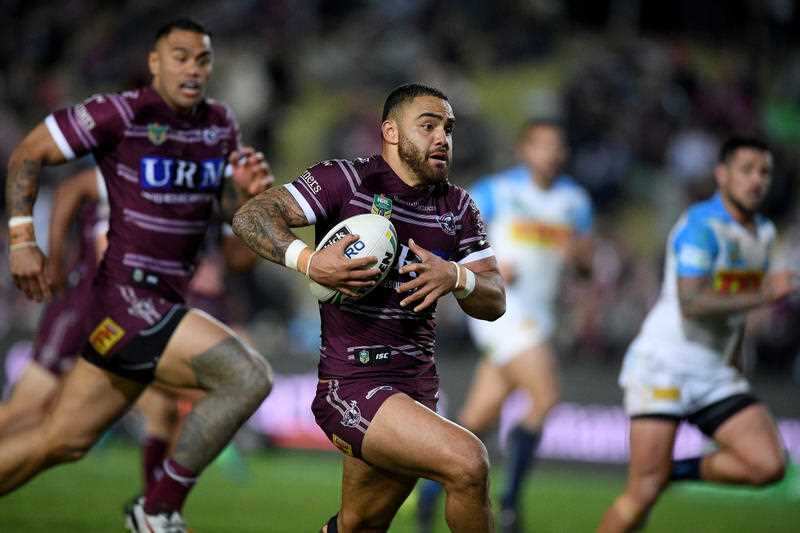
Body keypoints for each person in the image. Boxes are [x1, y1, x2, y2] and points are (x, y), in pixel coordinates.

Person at [3, 18, 274, 533]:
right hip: (126, 299)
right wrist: (23, 240)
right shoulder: (120, 112)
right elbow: (30, 151)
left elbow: (237, 258)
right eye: (180, 56)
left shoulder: (219, 126)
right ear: (155, 62)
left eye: (202, 59)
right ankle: (158, 509)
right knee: (248, 376)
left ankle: (156, 509)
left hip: (166, 304)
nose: (192, 69)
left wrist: (247, 198)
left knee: (58, 441)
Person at [233, 83, 506, 532]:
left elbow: (494, 300)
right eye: (429, 125)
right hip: (353, 384)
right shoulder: (345, 179)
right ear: (391, 132)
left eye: (449, 129)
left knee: (358, 526)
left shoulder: (458, 207)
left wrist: (457, 277)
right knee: (468, 462)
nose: (443, 138)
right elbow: (252, 215)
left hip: (417, 390)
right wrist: (308, 260)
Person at [598, 136, 792, 532]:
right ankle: (656, 476)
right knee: (641, 495)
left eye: (764, 172)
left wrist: (736, 358)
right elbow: (693, 302)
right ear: (722, 175)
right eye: (746, 170)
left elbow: (737, 307)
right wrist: (767, 292)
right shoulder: (701, 225)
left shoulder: (764, 234)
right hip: (664, 365)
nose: (756, 180)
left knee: (768, 464)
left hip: (715, 372)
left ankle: (669, 471)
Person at [417, 119, 593, 533]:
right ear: (524, 150)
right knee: (546, 396)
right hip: (500, 310)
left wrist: (578, 259)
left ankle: (425, 499)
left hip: (541, 316)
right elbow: (451, 238)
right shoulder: (497, 192)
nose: (550, 153)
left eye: (557, 146)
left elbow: (586, 267)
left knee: (477, 419)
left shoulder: (575, 202)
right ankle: (511, 505)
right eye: (542, 145)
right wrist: (487, 263)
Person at [0, 167, 107, 437]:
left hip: (131, 311)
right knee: (26, 412)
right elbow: (68, 189)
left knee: (69, 436)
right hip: (83, 306)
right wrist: (56, 263)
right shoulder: (130, 164)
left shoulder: (195, 168)